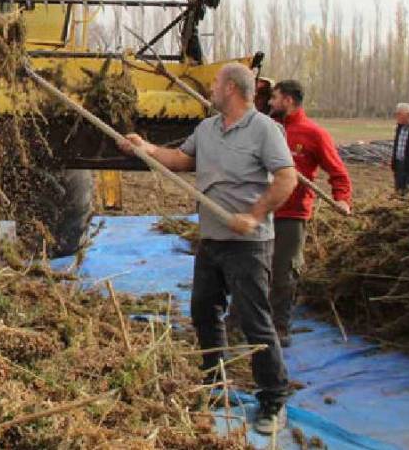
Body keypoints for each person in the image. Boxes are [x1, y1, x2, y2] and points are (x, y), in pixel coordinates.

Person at [118, 63, 298, 435]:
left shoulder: (264, 129)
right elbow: (182, 160)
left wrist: (254, 215)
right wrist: (145, 148)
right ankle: (214, 385)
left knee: (254, 322)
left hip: (248, 245)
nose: (211, 88)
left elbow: (287, 178)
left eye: (216, 83)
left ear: (231, 88)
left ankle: (273, 400)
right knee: (204, 311)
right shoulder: (207, 129)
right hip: (212, 240)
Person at [267, 80, 352, 347]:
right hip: (262, 209)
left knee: (283, 272)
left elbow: (338, 172)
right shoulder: (267, 129)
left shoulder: (313, 134)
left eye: (274, 97)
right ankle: (242, 322)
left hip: (292, 213)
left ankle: (279, 327)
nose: (270, 102)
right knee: (253, 268)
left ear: (288, 100)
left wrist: (342, 199)